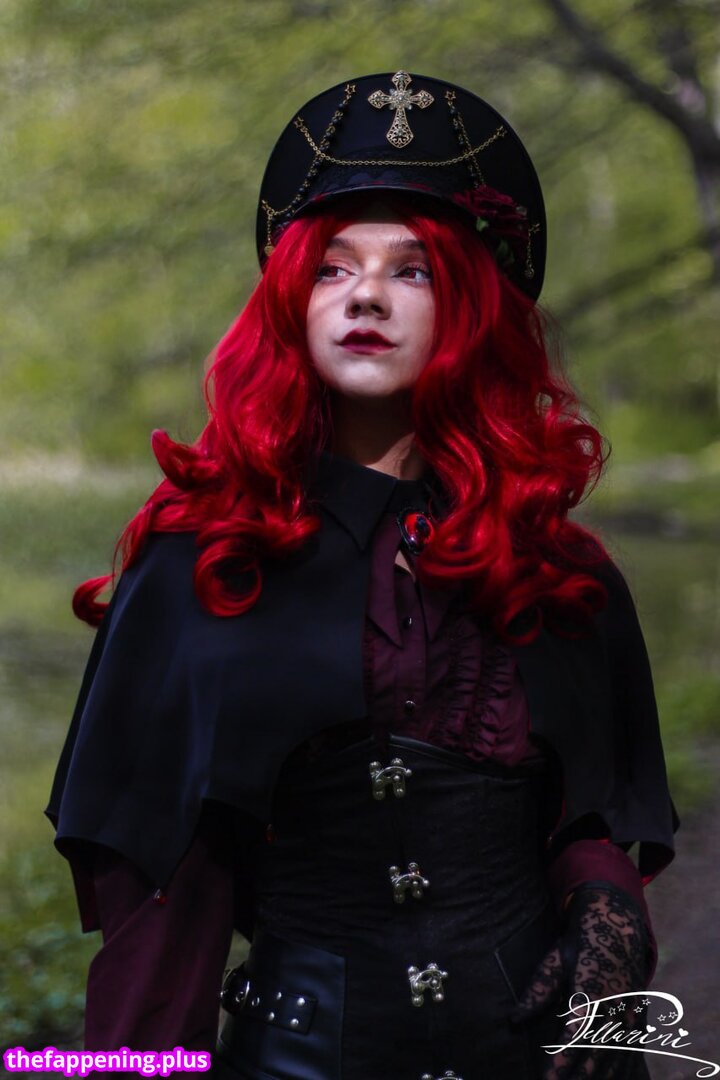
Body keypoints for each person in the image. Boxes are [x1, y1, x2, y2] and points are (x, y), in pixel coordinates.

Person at [46, 72, 679, 1080]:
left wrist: (608, 910)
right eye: (333, 269)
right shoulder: (206, 566)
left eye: (413, 271)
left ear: (469, 307)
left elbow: (588, 811)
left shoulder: (555, 565)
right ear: (292, 304)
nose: (366, 297)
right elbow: (161, 911)